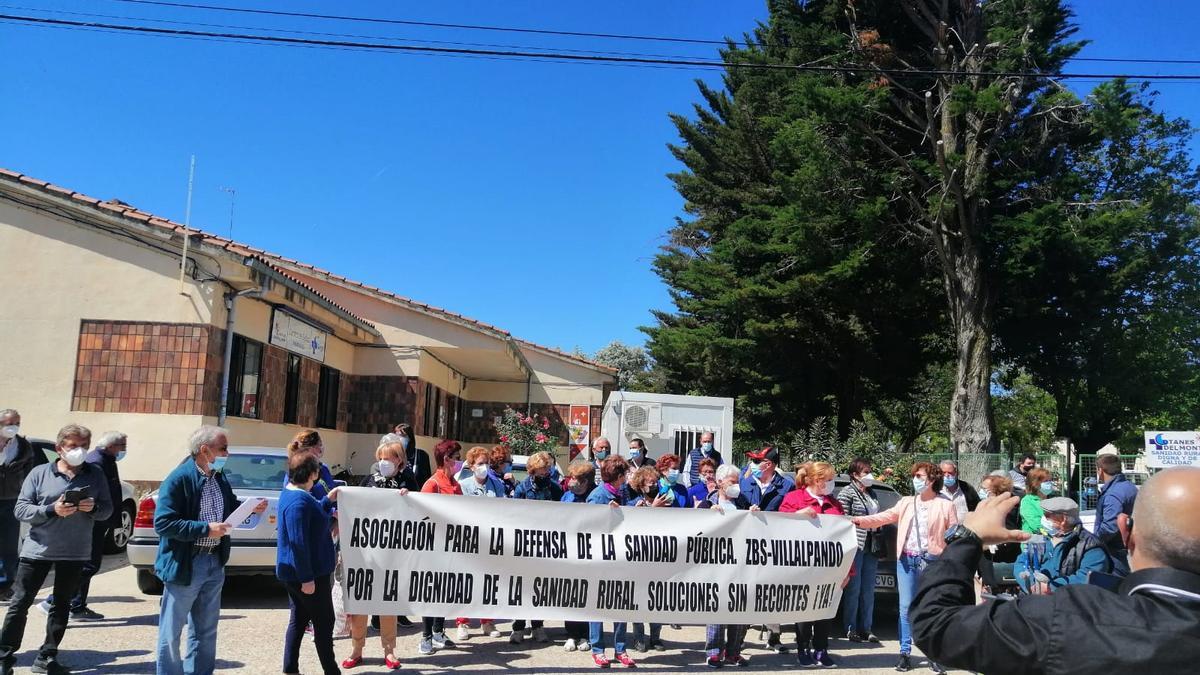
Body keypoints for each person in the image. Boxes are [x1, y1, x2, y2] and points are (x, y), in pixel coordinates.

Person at [911, 467, 1200, 673]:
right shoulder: (1045, 543)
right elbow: (1027, 561)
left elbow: (936, 625)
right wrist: (1027, 574)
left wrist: (967, 539)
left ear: (1126, 532)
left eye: (1050, 516)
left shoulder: (1073, 616)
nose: (1045, 520)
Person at [154, 425, 268, 675]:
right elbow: (163, 523)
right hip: (186, 563)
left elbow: (226, 507)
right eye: (223, 448)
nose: (228, 453)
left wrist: (249, 508)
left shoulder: (218, 477)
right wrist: (205, 529)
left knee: (206, 629)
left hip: (214, 562)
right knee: (172, 631)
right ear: (204, 450)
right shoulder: (179, 478)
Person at [0, 424, 112, 675]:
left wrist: (92, 508)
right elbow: (21, 509)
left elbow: (107, 510)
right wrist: (52, 509)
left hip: (75, 551)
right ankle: (4, 656)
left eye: (84, 445)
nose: (79, 451)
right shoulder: (39, 473)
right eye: (73, 446)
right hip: (37, 550)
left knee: (61, 605)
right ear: (60, 448)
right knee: (20, 603)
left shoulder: (95, 475)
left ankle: (47, 656)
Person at [851, 462, 958, 673]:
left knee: (931, 609)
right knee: (905, 608)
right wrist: (858, 521)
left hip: (933, 562)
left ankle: (933, 654)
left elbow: (954, 534)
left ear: (932, 480)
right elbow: (885, 516)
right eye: (915, 476)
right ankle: (905, 653)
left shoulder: (946, 505)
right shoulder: (907, 502)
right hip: (906, 561)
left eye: (920, 476)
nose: (916, 479)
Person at [341, 441, 415, 670]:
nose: (383, 462)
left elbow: (419, 513)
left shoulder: (407, 482)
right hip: (365, 553)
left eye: (389, 458)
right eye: (381, 457)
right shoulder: (370, 481)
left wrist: (409, 498)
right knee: (361, 602)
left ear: (399, 461)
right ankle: (357, 648)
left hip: (392, 554)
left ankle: (390, 651)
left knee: (388, 604)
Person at [41, 430, 127, 621]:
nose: (124, 450)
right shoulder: (97, 461)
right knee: (90, 565)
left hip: (101, 517)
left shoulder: (107, 460)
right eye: (122, 446)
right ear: (112, 446)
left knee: (88, 565)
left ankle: (77, 606)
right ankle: (54, 599)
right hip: (91, 520)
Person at [779, 461, 850, 667]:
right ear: (814, 480)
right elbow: (778, 527)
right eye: (827, 480)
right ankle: (803, 648)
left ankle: (821, 649)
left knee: (825, 609)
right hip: (802, 565)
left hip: (829, 567)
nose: (831, 484)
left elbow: (844, 539)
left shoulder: (835, 504)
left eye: (831, 480)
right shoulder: (793, 499)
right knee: (804, 609)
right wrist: (797, 516)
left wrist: (847, 571)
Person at [277, 453, 341, 675]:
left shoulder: (297, 494)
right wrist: (307, 579)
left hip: (301, 573)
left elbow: (313, 515)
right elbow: (298, 543)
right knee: (324, 622)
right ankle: (331, 670)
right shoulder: (298, 502)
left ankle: (290, 667)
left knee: (300, 618)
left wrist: (327, 500)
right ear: (312, 473)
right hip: (307, 574)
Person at [701, 464, 755, 668]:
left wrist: (754, 515)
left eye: (737, 481)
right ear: (720, 482)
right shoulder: (708, 503)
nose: (736, 486)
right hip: (716, 565)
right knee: (717, 609)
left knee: (737, 608)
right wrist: (707, 515)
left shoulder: (743, 502)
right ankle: (714, 652)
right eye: (732, 482)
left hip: (739, 564)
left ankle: (733, 652)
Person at [585, 455, 636, 669]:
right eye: (624, 474)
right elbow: (587, 525)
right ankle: (598, 649)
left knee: (620, 606)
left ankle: (620, 649)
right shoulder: (598, 496)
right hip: (600, 560)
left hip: (620, 558)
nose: (626, 478)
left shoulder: (623, 493)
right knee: (597, 607)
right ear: (617, 475)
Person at [512, 451, 564, 644]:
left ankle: (537, 626)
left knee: (540, 587)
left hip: (546, 545)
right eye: (543, 470)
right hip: (525, 544)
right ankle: (518, 627)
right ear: (532, 471)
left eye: (548, 469)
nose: (546, 473)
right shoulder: (522, 489)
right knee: (521, 587)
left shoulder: (556, 489)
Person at [417, 440, 463, 655]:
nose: (459, 462)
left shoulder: (455, 484)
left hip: (451, 547)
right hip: (433, 548)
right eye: (456, 458)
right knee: (430, 592)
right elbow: (422, 516)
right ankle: (425, 636)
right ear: (446, 459)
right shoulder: (432, 484)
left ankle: (438, 631)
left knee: (445, 592)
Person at [1022, 496, 1114, 593]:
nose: (1043, 519)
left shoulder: (1091, 546)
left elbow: (1086, 578)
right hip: (1039, 601)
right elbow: (1022, 562)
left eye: (1047, 516)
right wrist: (1032, 584)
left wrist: (1050, 587)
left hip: (1071, 604)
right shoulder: (1043, 538)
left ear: (1063, 519)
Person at [836, 457, 883, 644]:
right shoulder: (847, 492)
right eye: (865, 472)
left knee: (868, 589)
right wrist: (861, 522)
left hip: (873, 544)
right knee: (853, 589)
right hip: (856, 544)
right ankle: (851, 628)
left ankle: (867, 628)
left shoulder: (872, 493)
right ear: (855, 475)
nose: (869, 475)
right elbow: (843, 518)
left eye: (870, 471)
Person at [0, 409, 40, 603]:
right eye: (9, 423)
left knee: (8, 545)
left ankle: (4, 586)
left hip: (10, 500)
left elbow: (29, 473)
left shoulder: (23, 446)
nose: (13, 427)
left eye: (16, 423)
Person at [560, 460, 596, 652]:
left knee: (588, 595)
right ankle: (572, 634)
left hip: (591, 554)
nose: (571, 481)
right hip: (570, 553)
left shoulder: (596, 496)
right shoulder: (566, 496)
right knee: (571, 594)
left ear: (585, 481)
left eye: (575, 478)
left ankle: (585, 634)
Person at [1094, 453, 1137, 575]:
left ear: (1100, 470)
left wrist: (1095, 540)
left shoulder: (1113, 494)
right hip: (1127, 546)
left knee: (1114, 586)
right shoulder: (1130, 487)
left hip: (1115, 551)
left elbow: (1110, 526)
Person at [284, 430, 336, 501]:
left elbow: (331, 490)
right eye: (319, 445)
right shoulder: (297, 470)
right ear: (310, 449)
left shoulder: (323, 468)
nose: (321, 449)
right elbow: (302, 500)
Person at [740, 446, 794, 513]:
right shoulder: (744, 483)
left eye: (756, 461)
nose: (751, 465)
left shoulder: (788, 486)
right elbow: (738, 508)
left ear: (768, 464)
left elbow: (790, 511)